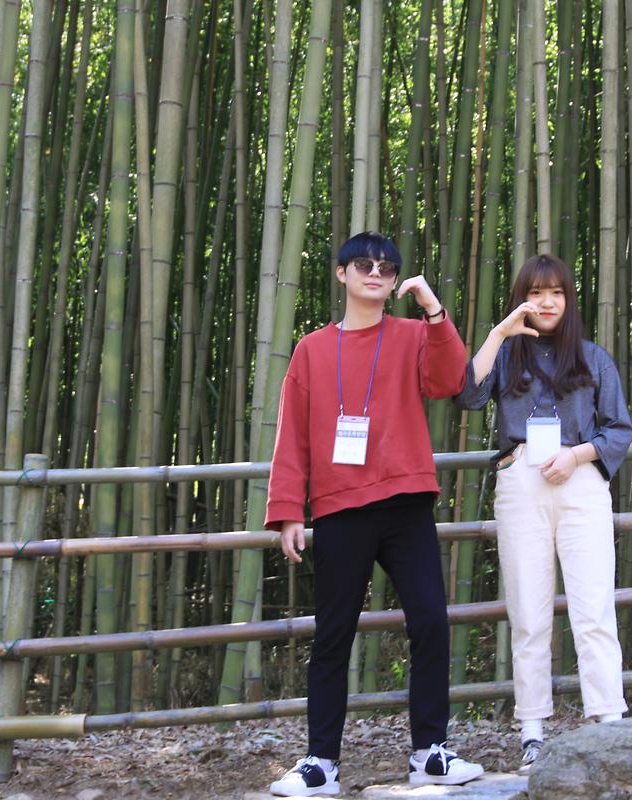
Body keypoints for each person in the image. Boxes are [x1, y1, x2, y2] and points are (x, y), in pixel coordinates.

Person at [266, 232, 485, 797]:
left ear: (394, 282)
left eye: (386, 268)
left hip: (406, 501)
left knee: (430, 621)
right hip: (339, 506)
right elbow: (292, 435)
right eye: (363, 264)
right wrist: (288, 509)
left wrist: (434, 311)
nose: (375, 273)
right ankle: (321, 762)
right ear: (341, 273)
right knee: (333, 634)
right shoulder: (312, 350)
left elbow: (450, 381)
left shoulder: (413, 334)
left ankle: (429, 751)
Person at [455, 253, 632, 773]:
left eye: (556, 292)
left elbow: (618, 429)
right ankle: (532, 730)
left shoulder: (593, 358)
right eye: (536, 293)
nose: (547, 302)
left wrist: (576, 456)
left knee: (593, 606)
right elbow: (467, 394)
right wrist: (498, 333)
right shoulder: (507, 355)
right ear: (521, 300)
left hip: (581, 484)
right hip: (521, 482)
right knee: (528, 613)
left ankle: (609, 722)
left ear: (569, 299)